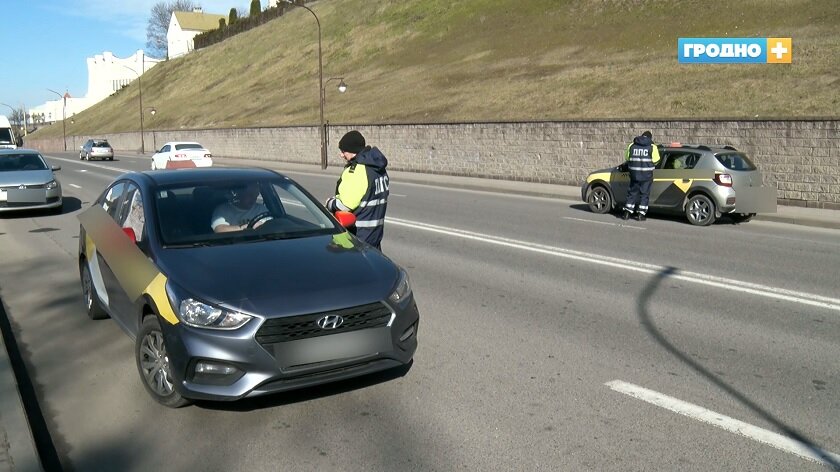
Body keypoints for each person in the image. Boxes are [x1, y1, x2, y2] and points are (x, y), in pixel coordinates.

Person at [325, 130, 389, 250]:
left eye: (343, 151)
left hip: (357, 237)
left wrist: (330, 203)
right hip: (375, 235)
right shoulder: (378, 169)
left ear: (352, 151)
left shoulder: (357, 170)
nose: (342, 155)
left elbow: (345, 205)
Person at [622, 130, 660, 221]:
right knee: (644, 194)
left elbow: (627, 158)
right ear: (650, 138)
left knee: (632, 193)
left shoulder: (632, 145)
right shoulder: (652, 147)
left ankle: (627, 213)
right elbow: (656, 160)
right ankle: (640, 214)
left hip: (634, 174)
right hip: (646, 175)